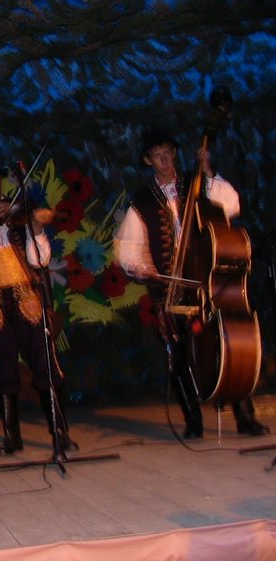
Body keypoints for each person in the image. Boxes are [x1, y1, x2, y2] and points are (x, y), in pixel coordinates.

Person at [115, 127, 269, 438]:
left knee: (228, 346)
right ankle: (193, 420)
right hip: (171, 290)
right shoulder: (142, 201)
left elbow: (232, 205)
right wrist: (144, 269)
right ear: (148, 160)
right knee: (177, 354)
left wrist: (209, 172)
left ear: (175, 154)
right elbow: (128, 248)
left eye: (168, 153)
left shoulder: (197, 184)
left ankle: (244, 416)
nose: (165, 160)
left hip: (206, 283)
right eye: (157, 155)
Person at [0, 159, 75, 455]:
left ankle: (60, 432)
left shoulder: (20, 211)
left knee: (44, 362)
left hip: (26, 297)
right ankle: (12, 436)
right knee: (1, 367)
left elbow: (39, 260)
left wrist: (36, 227)